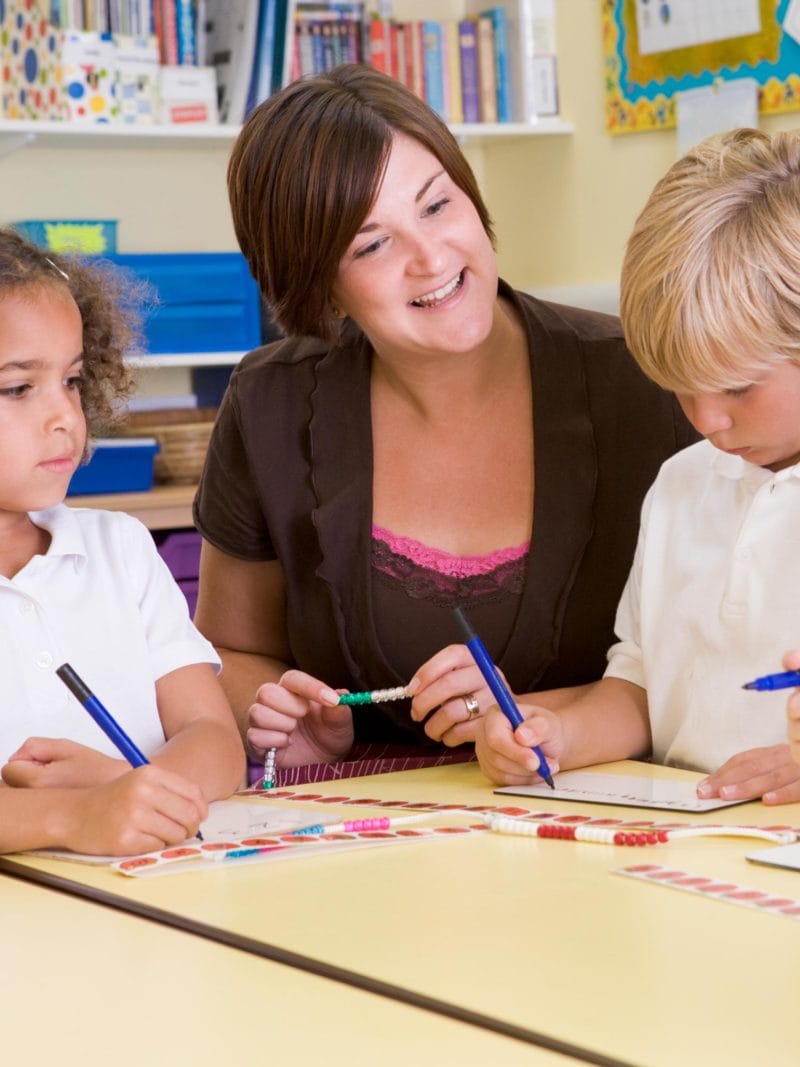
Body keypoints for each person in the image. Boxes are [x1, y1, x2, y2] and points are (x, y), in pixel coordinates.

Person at [193, 64, 697, 785]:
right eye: (372, 245)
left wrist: (527, 715)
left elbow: (711, 661)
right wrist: (278, 715)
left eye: (437, 206)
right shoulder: (268, 402)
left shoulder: (646, 377)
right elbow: (229, 652)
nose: (430, 258)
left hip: (599, 807)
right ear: (316, 283)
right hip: (364, 827)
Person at [476, 127, 800, 806]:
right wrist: (558, 732)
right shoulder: (681, 485)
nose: (707, 420)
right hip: (689, 847)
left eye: (738, 387)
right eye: (683, 386)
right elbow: (642, 684)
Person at [0, 228, 245, 856]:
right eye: (19, 387)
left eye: (73, 381)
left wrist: (134, 786)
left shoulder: (122, 550)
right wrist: (74, 817)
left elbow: (215, 740)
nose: (65, 417)